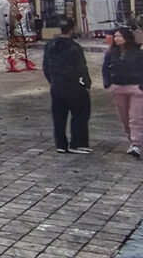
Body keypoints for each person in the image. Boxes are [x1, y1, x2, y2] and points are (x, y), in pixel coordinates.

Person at [43, 20, 92, 154]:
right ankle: (77, 143)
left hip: (56, 84)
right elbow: (82, 67)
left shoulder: (50, 45)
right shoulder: (74, 47)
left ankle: (60, 144)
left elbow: (45, 67)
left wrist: (52, 81)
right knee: (79, 114)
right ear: (71, 29)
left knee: (59, 116)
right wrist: (87, 83)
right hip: (73, 84)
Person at [101, 26, 143, 158]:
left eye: (119, 36)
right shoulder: (111, 53)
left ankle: (137, 143)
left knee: (136, 117)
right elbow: (105, 68)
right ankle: (132, 140)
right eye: (115, 36)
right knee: (124, 116)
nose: (117, 39)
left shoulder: (138, 53)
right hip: (118, 87)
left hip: (136, 87)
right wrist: (108, 83)